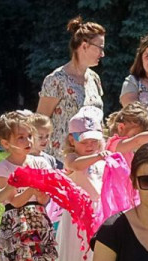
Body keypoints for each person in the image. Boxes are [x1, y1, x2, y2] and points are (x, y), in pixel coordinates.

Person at [0, 110, 58, 261]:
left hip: (39, 221)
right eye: (20, 137)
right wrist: (32, 188)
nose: (27, 140)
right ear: (5, 143)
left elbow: (44, 199)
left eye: (29, 136)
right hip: (17, 224)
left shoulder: (41, 162)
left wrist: (43, 191)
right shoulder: (4, 167)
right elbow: (14, 202)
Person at [58, 106, 108, 261]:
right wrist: (97, 156)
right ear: (72, 140)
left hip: (98, 216)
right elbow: (76, 165)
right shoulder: (72, 158)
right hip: (78, 218)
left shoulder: (101, 160)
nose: (89, 146)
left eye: (94, 141)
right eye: (84, 141)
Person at [36, 17, 106, 160]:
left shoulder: (94, 78)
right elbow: (39, 122)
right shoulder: (56, 80)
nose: (102, 54)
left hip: (89, 160)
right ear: (84, 46)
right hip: (62, 160)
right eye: (100, 48)